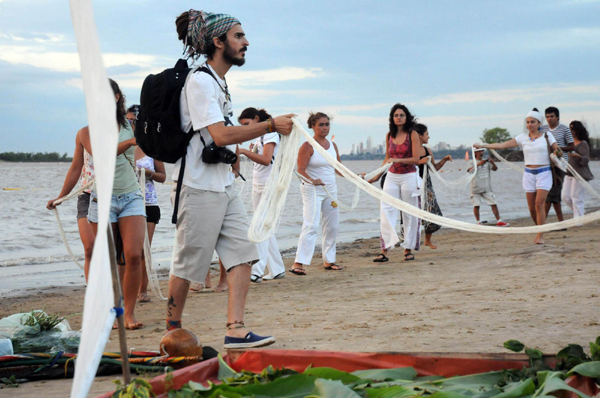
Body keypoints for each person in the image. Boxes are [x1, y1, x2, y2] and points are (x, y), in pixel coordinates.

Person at [169, 9, 294, 349]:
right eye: (239, 36)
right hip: (198, 187)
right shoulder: (198, 81)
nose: (246, 42)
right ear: (217, 41)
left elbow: (223, 137)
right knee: (189, 263)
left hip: (224, 184)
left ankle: (235, 329)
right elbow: (220, 136)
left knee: (244, 251)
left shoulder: (218, 81)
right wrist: (270, 125)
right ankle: (171, 330)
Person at [80, 79, 146, 329]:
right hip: (103, 199)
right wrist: (130, 143)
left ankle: (128, 314)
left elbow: (149, 146)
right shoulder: (90, 129)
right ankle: (111, 308)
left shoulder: (130, 124)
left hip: (131, 196)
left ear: (117, 97)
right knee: (107, 259)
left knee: (133, 255)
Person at [475, 108, 562, 244]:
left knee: (539, 204)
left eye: (532, 122)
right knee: (531, 208)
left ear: (539, 123)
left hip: (544, 173)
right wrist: (483, 145)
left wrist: (558, 152)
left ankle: (540, 235)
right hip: (528, 174)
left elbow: (557, 148)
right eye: (527, 122)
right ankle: (539, 227)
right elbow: (502, 145)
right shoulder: (522, 138)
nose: (530, 125)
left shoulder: (547, 136)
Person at [291, 112, 343, 275]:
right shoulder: (308, 146)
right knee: (311, 224)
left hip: (330, 190)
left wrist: (358, 177)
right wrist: (313, 180)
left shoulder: (333, 146)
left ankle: (329, 261)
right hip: (312, 189)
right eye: (321, 124)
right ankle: (298, 263)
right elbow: (300, 170)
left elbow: (338, 169)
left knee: (332, 225)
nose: (325, 127)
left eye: (327, 124)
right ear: (312, 126)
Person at [368, 104, 421, 262]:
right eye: (396, 115)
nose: (399, 117)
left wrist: (398, 160)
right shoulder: (389, 135)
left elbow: (416, 159)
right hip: (392, 175)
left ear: (406, 117)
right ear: (392, 118)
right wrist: (376, 176)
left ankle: (408, 249)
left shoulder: (413, 134)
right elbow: (387, 158)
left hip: (409, 176)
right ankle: (385, 250)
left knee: (409, 213)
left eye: (402, 115)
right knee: (386, 211)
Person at [238, 107, 286, 282]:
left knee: (260, 225)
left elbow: (266, 160)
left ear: (256, 119)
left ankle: (256, 270)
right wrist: (251, 150)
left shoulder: (270, 134)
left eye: (246, 124)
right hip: (257, 184)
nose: (244, 128)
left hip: (269, 185)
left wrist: (244, 152)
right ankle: (277, 268)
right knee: (264, 226)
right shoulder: (259, 137)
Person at [46, 130, 95, 282]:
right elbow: (75, 167)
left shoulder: (121, 131)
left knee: (115, 250)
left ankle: (115, 292)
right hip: (87, 196)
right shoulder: (84, 133)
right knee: (90, 248)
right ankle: (92, 293)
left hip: (115, 195)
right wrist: (61, 197)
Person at [134, 145, 166, 302]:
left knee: (144, 249)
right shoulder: (118, 147)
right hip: (127, 203)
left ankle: (143, 290)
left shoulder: (152, 148)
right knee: (126, 251)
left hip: (149, 203)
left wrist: (149, 173)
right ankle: (125, 290)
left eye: (135, 120)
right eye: (129, 121)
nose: (132, 124)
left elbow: (163, 176)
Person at [415, 123, 451, 249]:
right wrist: (420, 161)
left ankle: (427, 240)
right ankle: (409, 242)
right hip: (412, 184)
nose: (428, 137)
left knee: (433, 211)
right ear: (419, 135)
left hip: (426, 185)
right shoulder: (411, 150)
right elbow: (405, 165)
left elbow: (434, 169)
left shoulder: (427, 150)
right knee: (413, 213)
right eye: (427, 134)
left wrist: (444, 160)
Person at [541, 106, 575, 221]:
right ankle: (560, 221)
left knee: (552, 193)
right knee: (550, 194)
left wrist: (559, 149)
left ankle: (542, 222)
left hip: (559, 165)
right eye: (547, 117)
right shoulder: (542, 129)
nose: (549, 119)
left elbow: (572, 146)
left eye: (551, 116)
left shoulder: (564, 129)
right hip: (545, 165)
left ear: (557, 117)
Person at [467, 148, 509, 226]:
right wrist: (479, 164)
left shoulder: (486, 162)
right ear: (475, 153)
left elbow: (495, 169)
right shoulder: (471, 162)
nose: (481, 153)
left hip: (486, 187)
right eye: (479, 151)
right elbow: (469, 171)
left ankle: (499, 220)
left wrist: (493, 163)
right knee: (476, 205)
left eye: (482, 151)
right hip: (475, 188)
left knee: (493, 203)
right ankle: (478, 222)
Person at [562, 121, 594, 223]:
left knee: (576, 197)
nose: (571, 131)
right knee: (565, 197)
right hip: (569, 173)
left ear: (578, 130)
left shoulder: (583, 143)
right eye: (570, 129)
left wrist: (578, 156)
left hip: (580, 174)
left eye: (573, 129)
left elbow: (586, 159)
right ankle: (580, 214)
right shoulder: (569, 143)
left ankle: (578, 220)